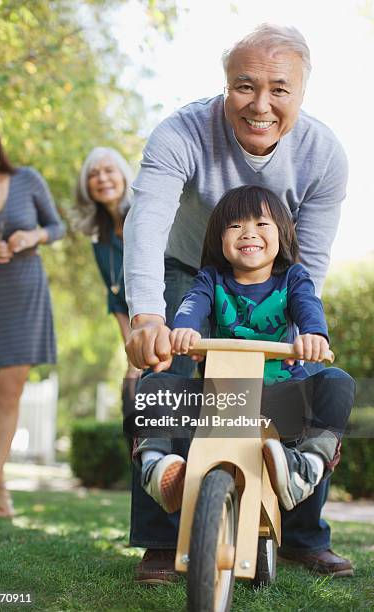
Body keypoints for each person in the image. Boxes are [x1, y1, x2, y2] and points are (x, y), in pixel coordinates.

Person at [124, 24, 352, 582]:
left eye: (280, 89)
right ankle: (162, 536)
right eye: (244, 86)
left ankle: (302, 533)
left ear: (302, 91)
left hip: (278, 278)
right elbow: (148, 219)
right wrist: (147, 313)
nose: (261, 104)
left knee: (297, 390)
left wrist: (303, 336)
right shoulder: (182, 131)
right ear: (225, 84)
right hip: (187, 268)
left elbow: (309, 263)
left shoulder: (323, 154)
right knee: (168, 373)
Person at [131, 186, 354, 526]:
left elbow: (309, 306)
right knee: (155, 383)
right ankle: (157, 468)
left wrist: (313, 335)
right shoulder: (211, 278)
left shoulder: (293, 279)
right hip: (219, 399)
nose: (249, 231)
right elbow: (192, 304)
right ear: (219, 238)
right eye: (235, 226)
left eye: (262, 223)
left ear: (282, 234)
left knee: (337, 382)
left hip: (280, 399)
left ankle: (307, 466)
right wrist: (185, 329)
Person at [0, 112, 65, 524]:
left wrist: (34, 236)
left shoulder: (27, 179)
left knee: (8, 390)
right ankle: (0, 486)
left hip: (25, 294)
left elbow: (57, 226)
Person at [74, 147, 140, 384]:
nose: (102, 179)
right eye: (93, 174)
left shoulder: (143, 217)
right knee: (132, 396)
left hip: (172, 323)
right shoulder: (98, 237)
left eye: (109, 171)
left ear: (123, 175)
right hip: (138, 334)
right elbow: (116, 299)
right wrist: (131, 356)